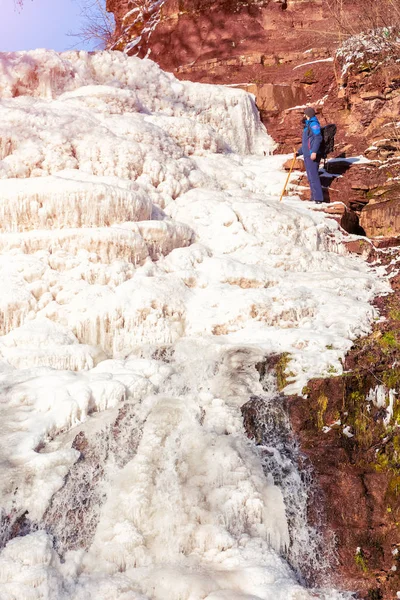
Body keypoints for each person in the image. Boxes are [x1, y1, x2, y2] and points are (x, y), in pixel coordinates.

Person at [296, 107, 324, 204]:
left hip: (312, 154)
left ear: (307, 114)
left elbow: (318, 138)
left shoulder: (314, 124)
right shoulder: (307, 126)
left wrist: (314, 151)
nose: (303, 116)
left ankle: (318, 198)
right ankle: (314, 197)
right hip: (307, 154)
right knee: (311, 177)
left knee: (313, 176)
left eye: (304, 114)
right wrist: (299, 152)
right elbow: (306, 143)